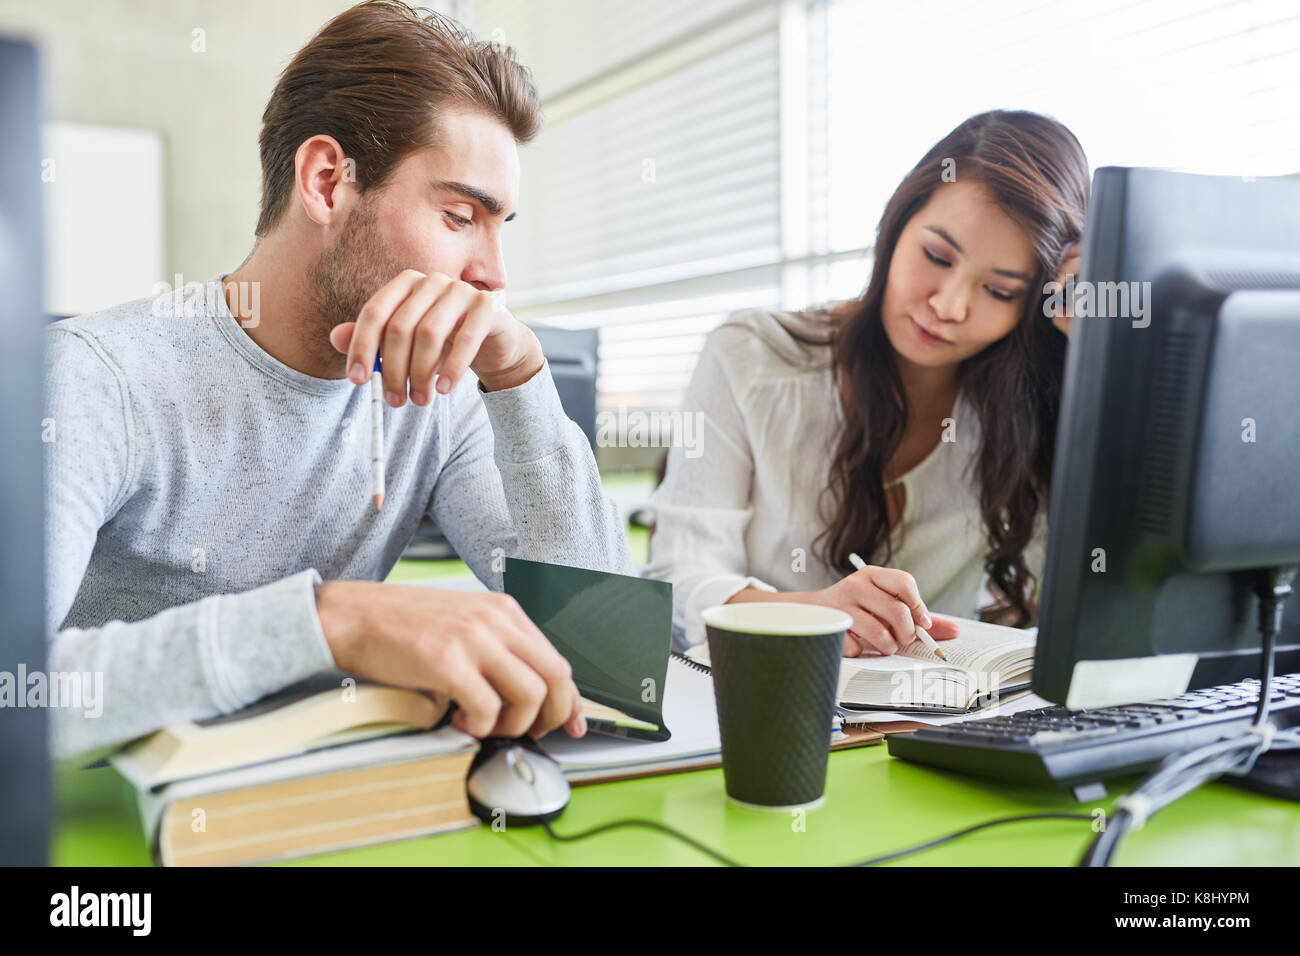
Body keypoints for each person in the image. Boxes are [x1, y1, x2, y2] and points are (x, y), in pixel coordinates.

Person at [44, 1, 633, 760]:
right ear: (327, 182)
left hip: (341, 806)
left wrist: (519, 374)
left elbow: (607, 653)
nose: (494, 275)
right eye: (461, 217)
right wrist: (329, 623)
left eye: (499, 227)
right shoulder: (96, 379)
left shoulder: (442, 400)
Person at [645, 110, 1088, 655]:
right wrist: (817, 614)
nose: (948, 306)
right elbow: (678, 578)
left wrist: (1089, 349)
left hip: (933, 724)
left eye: (999, 291)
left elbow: (1097, 595)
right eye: (936, 256)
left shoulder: (1021, 406)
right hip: (755, 703)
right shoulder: (750, 355)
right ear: (897, 224)